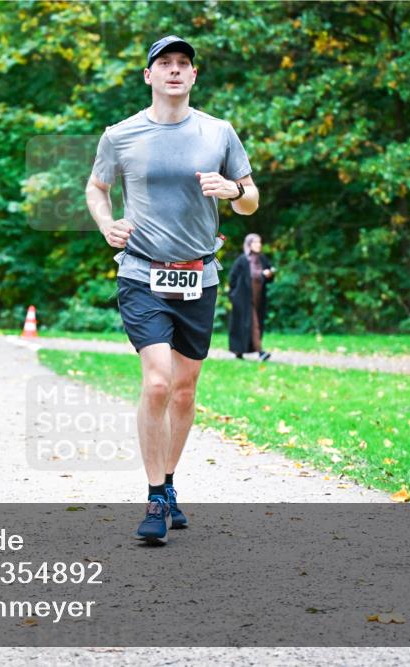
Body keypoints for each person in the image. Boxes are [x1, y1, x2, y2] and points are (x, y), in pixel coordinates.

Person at [85, 35, 259, 544]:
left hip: (198, 275)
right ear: (149, 75)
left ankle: (170, 483)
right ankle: (155, 495)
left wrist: (235, 192)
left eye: (184, 64)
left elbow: (251, 199)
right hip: (142, 272)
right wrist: (106, 224)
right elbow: (97, 187)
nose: (175, 71)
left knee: (184, 392)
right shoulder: (120, 135)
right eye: (165, 64)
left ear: (194, 76)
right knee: (157, 382)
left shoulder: (218, 132)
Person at [228, 233, 275, 361]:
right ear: (249, 244)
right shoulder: (242, 260)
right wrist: (234, 295)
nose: (258, 245)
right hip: (243, 299)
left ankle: (239, 351)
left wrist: (269, 274)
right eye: (255, 242)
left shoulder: (262, 259)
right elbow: (232, 279)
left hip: (258, 299)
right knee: (253, 324)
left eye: (259, 242)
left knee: (253, 324)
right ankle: (260, 352)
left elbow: (269, 276)